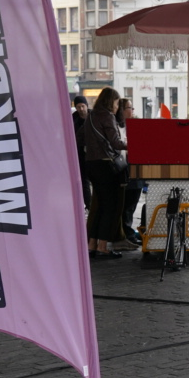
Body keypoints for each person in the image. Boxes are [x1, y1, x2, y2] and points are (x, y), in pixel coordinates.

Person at [78, 88, 127, 259]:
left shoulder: (91, 116)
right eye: (116, 102)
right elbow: (115, 143)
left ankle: (91, 245)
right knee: (110, 207)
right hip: (106, 166)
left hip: (91, 165)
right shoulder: (107, 116)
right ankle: (103, 246)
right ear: (110, 101)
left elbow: (80, 137)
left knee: (99, 206)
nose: (117, 106)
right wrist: (131, 144)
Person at [116, 101, 145, 247]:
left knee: (133, 201)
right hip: (125, 167)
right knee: (127, 203)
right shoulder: (118, 126)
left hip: (136, 167)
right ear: (121, 110)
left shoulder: (133, 125)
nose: (132, 110)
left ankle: (128, 231)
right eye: (129, 107)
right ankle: (125, 233)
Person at [71, 95, 91, 207]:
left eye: (83, 106)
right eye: (78, 107)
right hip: (80, 154)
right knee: (84, 181)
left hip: (94, 153)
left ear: (87, 106)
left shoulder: (93, 116)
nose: (81, 109)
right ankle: (89, 204)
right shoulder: (73, 119)